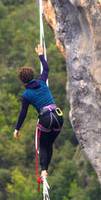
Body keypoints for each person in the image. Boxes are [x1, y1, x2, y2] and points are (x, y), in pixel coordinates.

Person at [14, 45, 64, 180]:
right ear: (32, 75)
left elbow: (23, 113)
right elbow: (46, 68)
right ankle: (45, 170)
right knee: (49, 144)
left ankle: (44, 171)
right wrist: (41, 55)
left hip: (46, 118)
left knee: (43, 145)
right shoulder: (42, 82)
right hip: (58, 115)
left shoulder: (26, 95)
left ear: (22, 80)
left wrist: (17, 129)